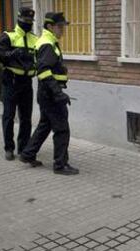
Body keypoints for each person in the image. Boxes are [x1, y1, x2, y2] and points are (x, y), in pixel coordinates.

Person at [20, 12, 79, 175]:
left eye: (63, 26)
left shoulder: (48, 41)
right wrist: (58, 93)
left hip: (47, 94)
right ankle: (60, 165)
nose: (63, 30)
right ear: (50, 27)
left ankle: (27, 154)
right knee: (62, 129)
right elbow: (44, 71)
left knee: (45, 126)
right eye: (60, 27)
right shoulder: (47, 43)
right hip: (51, 94)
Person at [0, 7, 37, 161]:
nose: (29, 24)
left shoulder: (34, 38)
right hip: (10, 81)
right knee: (9, 116)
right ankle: (9, 148)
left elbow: (39, 59)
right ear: (19, 19)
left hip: (27, 83)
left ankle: (24, 147)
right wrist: (10, 54)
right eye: (26, 21)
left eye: (31, 21)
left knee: (26, 118)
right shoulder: (8, 36)